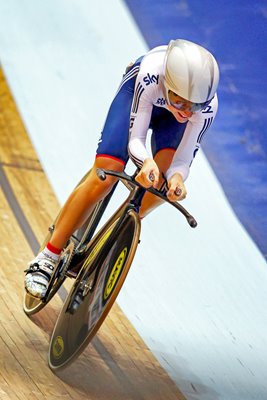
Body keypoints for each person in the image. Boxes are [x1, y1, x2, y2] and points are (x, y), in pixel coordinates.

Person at [24, 38, 219, 298]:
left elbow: (183, 160)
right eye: (180, 101)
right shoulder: (151, 74)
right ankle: (48, 257)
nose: (186, 112)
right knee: (107, 171)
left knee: (159, 184)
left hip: (168, 125)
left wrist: (177, 180)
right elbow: (135, 139)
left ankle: (124, 227)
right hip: (137, 99)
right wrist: (144, 161)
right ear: (168, 84)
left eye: (193, 106)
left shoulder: (205, 107)